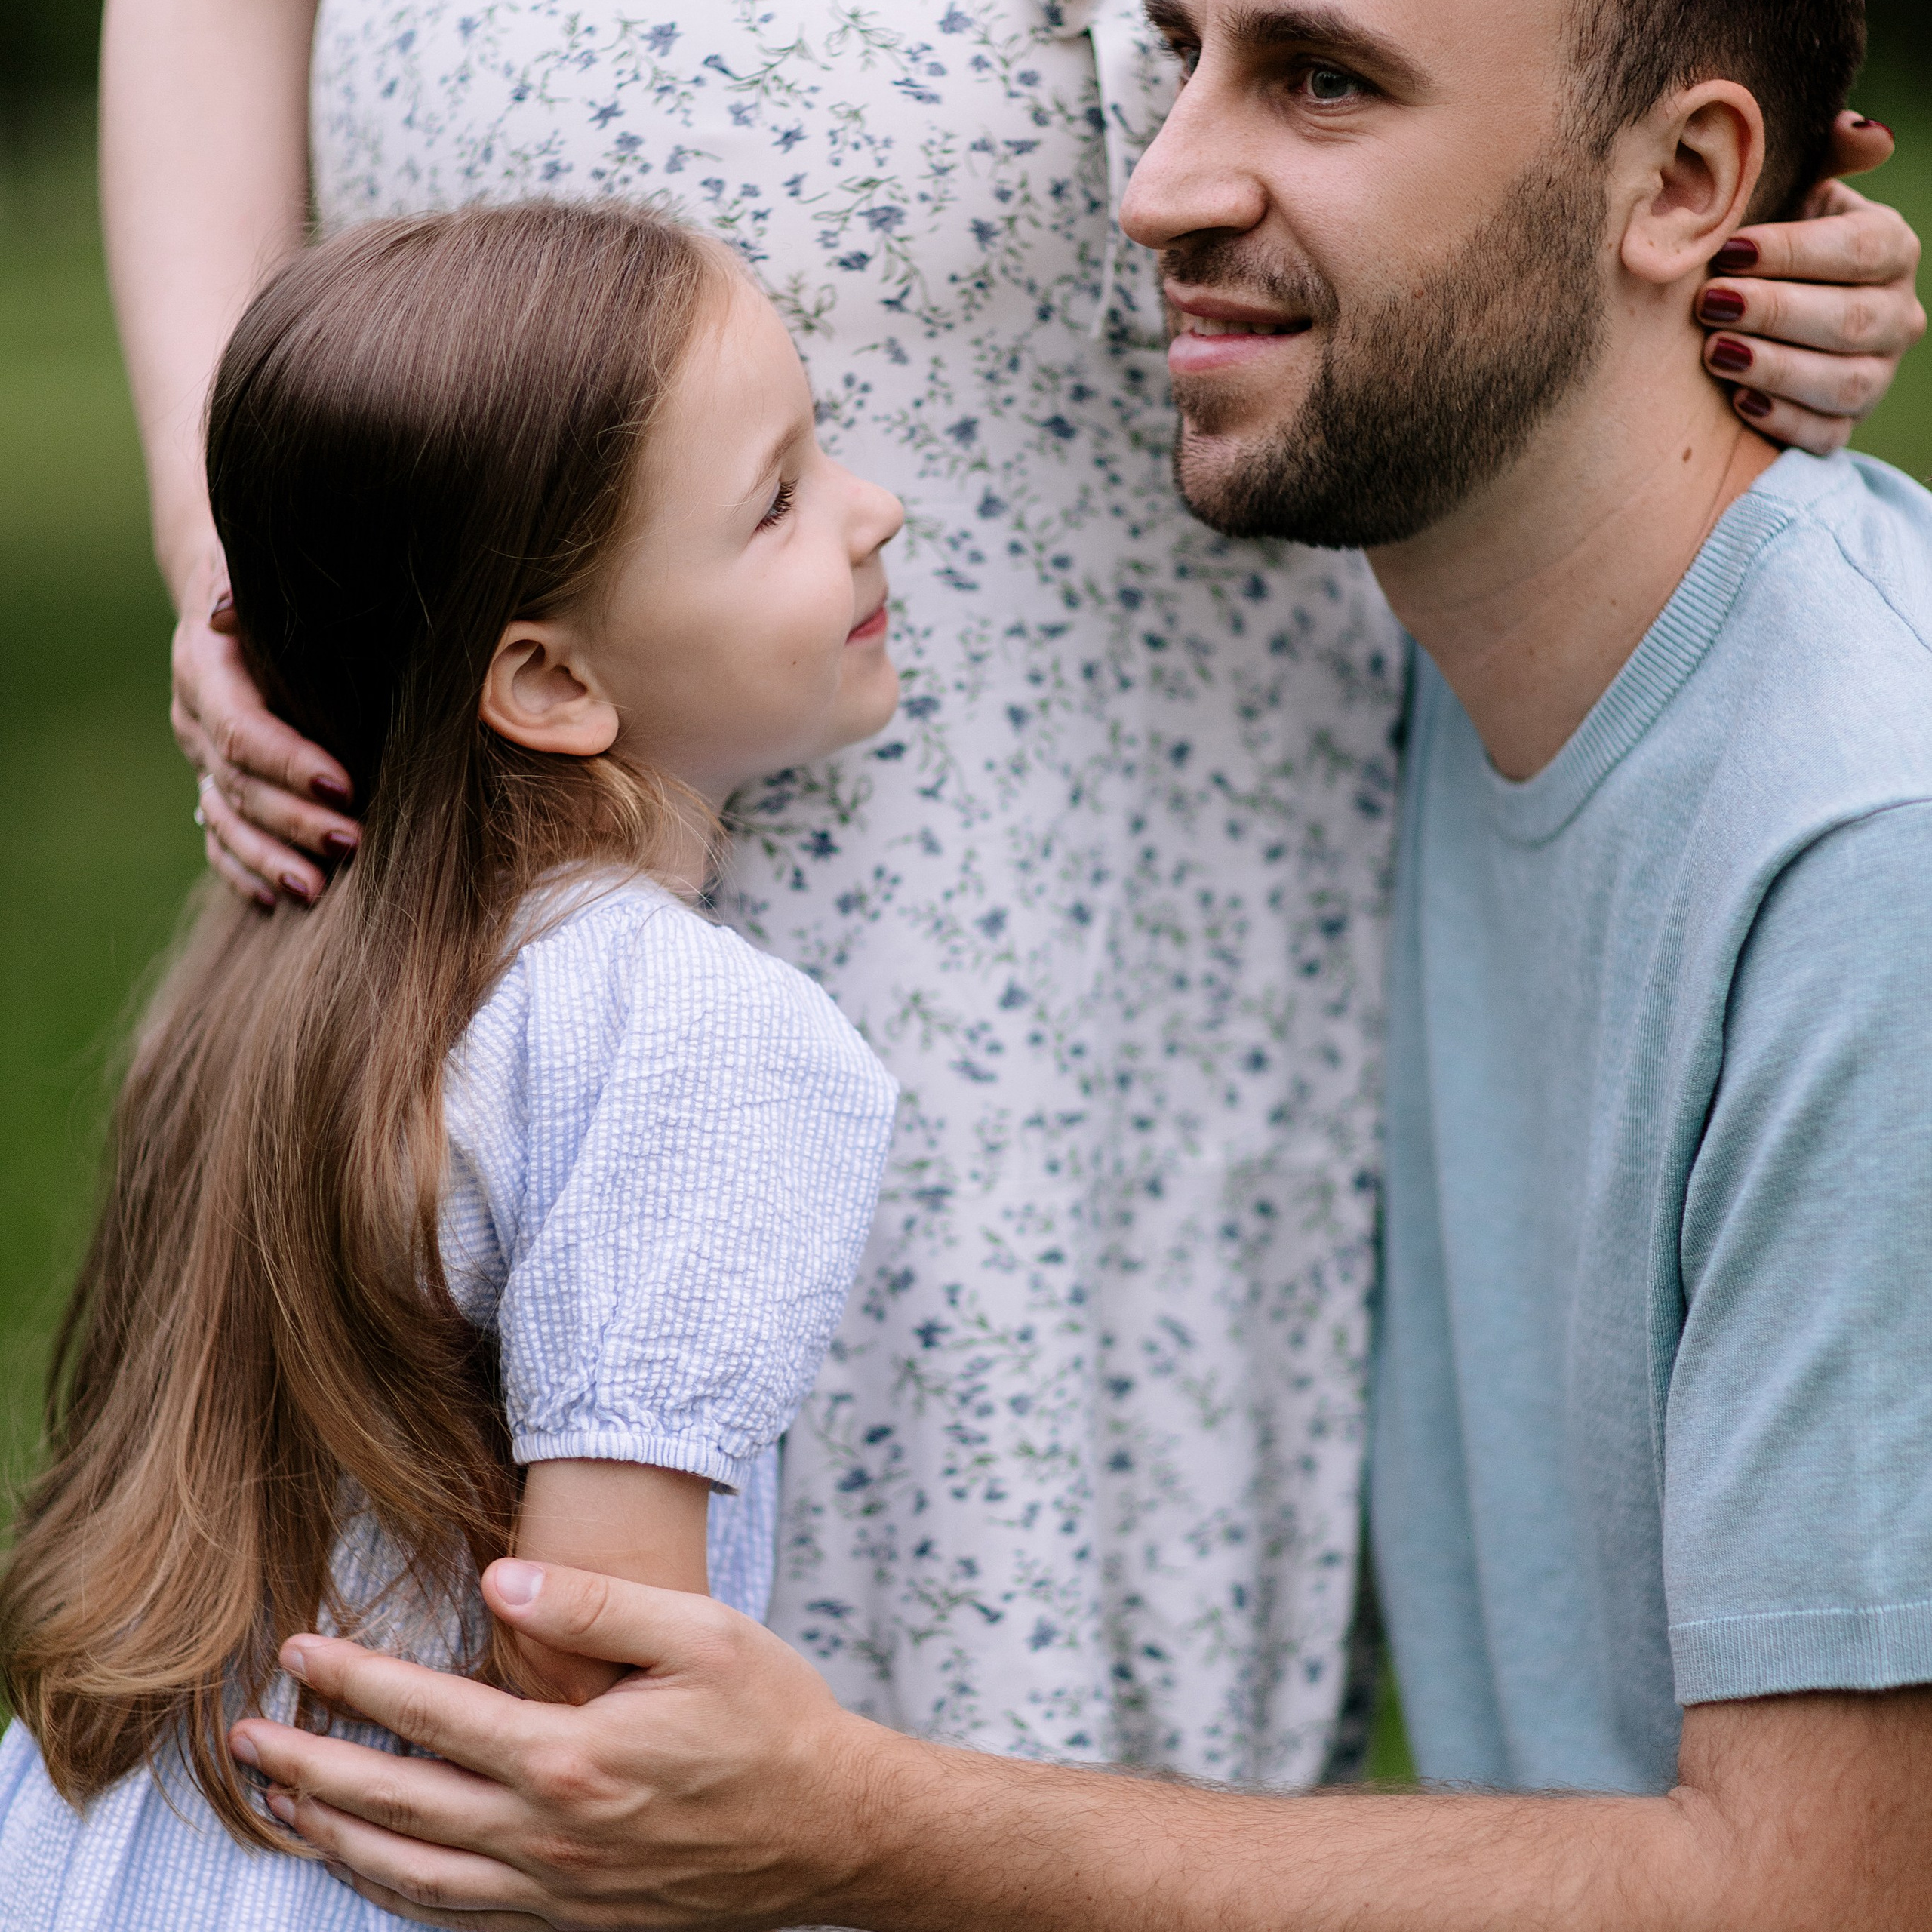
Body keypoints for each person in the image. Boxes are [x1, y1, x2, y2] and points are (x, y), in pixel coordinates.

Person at [228, 0, 1932, 1925]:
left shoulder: (1867, 856)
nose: (1151, 187)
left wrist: (855, 1817)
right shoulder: (1500, 657)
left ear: (1686, 178)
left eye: (1322, 79)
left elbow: (1830, 1897)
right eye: (1174, 45)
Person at [0, 199, 906, 1928]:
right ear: (552, 680)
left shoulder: (264, 974)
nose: (874, 507)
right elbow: (592, 1703)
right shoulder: (700, 1038)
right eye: (779, 496)